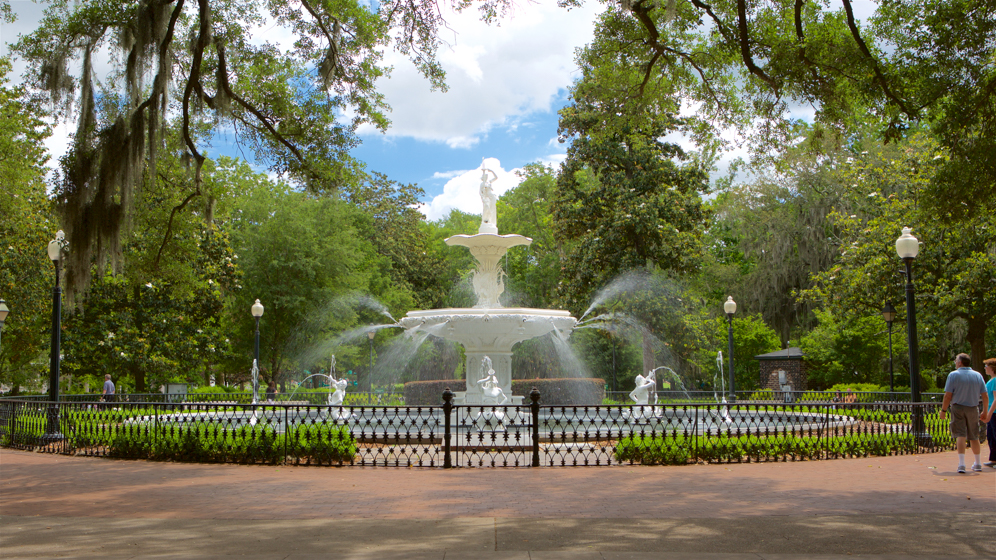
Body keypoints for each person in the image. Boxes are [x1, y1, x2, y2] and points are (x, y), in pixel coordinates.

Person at [939, 353, 990, 473]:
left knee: (960, 434)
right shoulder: (977, 375)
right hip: (973, 407)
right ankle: (977, 463)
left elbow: (947, 396)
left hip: (958, 407)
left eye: (956, 360)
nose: (955, 363)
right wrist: (985, 411)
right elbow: (985, 395)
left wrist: (943, 410)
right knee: (974, 435)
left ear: (960, 362)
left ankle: (962, 464)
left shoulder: (953, 375)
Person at [983, 357, 996, 468]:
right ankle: (993, 459)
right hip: (991, 412)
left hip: (995, 413)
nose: (985, 368)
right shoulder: (991, 380)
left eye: (986, 366)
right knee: (991, 435)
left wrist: (990, 413)